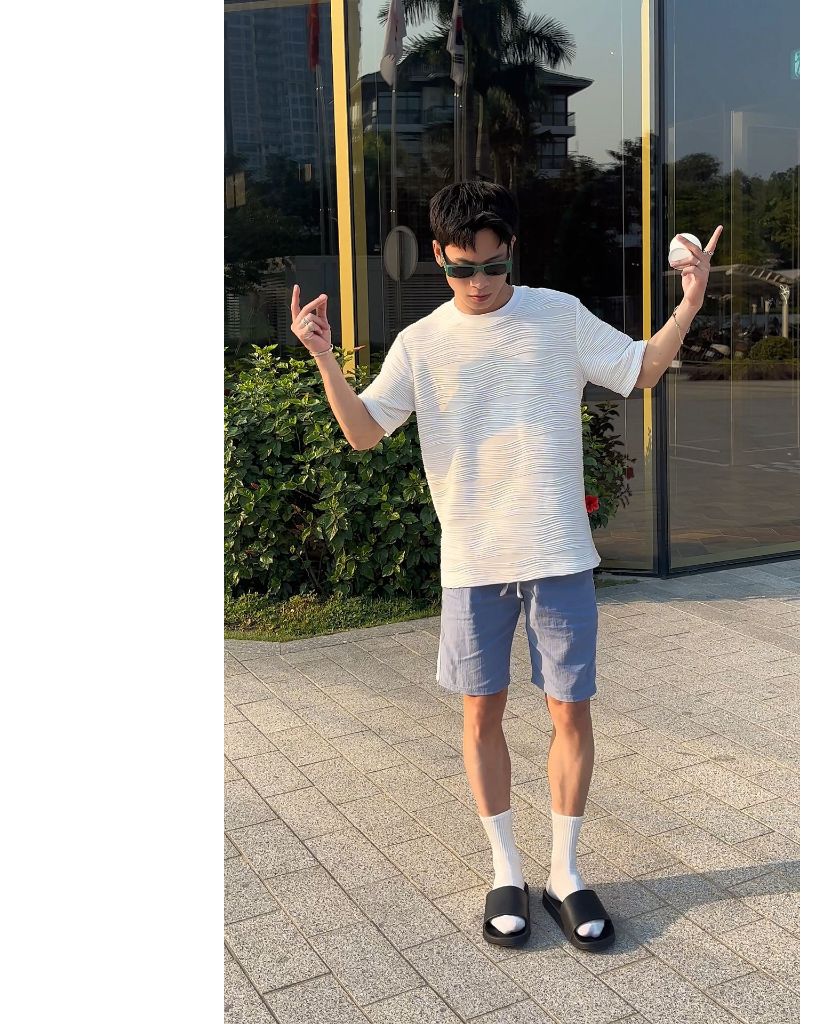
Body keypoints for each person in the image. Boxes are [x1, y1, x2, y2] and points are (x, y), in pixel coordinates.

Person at [289, 182, 721, 952]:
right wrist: (324, 356)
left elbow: (643, 368)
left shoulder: (558, 315)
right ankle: (505, 869)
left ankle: (565, 873)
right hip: (474, 560)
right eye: (462, 269)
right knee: (480, 714)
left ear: (511, 252)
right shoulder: (421, 342)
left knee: (570, 712)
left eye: (493, 266)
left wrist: (689, 303)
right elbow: (362, 432)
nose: (479, 283)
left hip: (558, 553)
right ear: (437, 257)